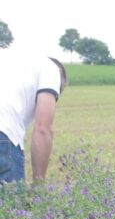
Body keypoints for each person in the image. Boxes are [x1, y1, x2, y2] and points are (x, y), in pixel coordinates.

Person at [0, 50, 66, 185]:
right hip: (3, 133)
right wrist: (39, 185)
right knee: (9, 204)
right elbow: (43, 128)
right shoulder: (51, 69)